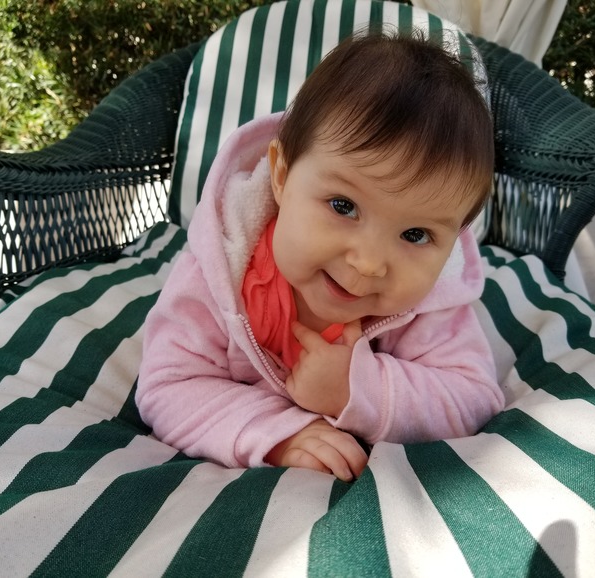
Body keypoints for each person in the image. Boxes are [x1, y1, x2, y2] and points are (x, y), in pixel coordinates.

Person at [136, 29, 504, 482]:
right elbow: (168, 384)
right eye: (343, 206)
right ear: (282, 175)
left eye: (415, 234)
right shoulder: (218, 274)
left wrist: (358, 387)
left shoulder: (429, 304)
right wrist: (279, 433)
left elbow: (472, 397)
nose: (368, 263)